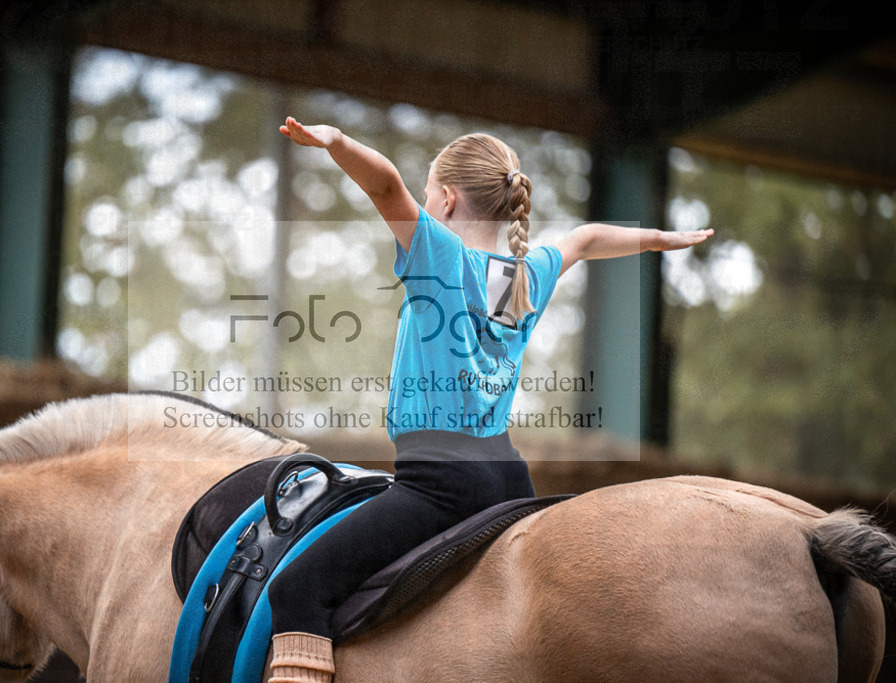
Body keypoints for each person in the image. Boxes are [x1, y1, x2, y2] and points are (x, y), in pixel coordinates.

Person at [266, 117, 713, 683]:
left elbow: (383, 185)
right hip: (508, 479)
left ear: (447, 200)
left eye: (429, 194)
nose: (423, 204)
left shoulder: (437, 254)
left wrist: (336, 142)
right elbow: (587, 239)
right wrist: (659, 241)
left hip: (438, 485)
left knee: (295, 590)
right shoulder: (526, 274)